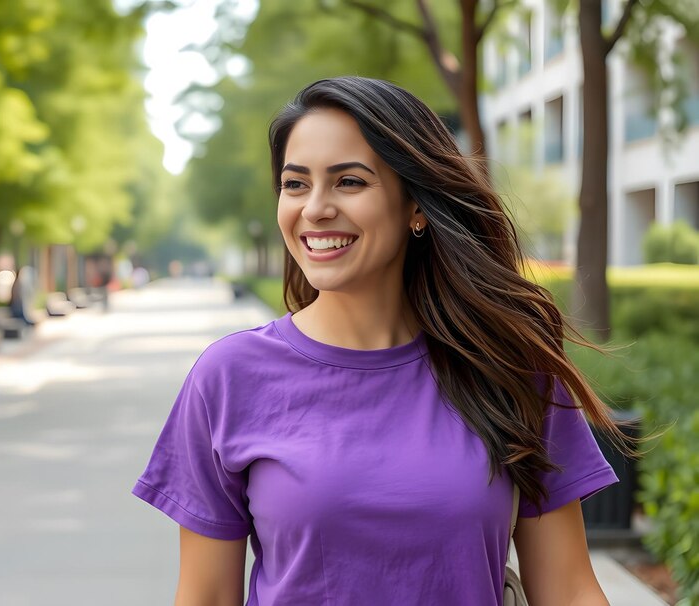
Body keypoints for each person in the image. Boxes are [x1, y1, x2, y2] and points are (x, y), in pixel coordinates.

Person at [132, 76, 630, 605]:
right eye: (295, 184)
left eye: (349, 181)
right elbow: (206, 596)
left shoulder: (509, 368)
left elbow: (569, 590)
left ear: (416, 204)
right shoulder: (229, 377)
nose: (315, 208)